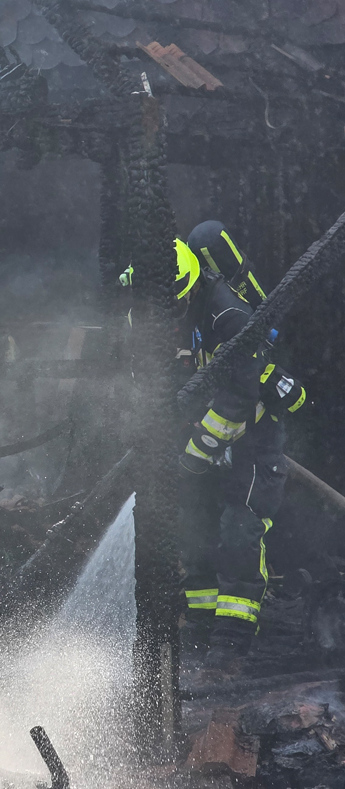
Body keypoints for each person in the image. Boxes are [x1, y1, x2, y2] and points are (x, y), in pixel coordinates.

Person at [171, 221, 306, 674]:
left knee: (239, 530)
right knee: (196, 528)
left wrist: (200, 448)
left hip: (254, 441)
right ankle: (200, 626)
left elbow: (240, 397)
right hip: (210, 438)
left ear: (193, 285)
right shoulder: (181, 312)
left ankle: (232, 640)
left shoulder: (228, 316)